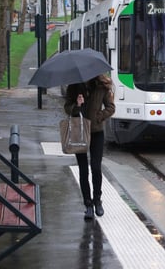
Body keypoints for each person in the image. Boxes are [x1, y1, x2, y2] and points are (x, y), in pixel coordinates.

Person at [64, 74, 115, 220]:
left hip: (96, 132)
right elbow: (67, 108)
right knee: (83, 169)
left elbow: (111, 108)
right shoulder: (73, 87)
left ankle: (97, 200)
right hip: (79, 131)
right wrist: (77, 105)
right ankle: (88, 204)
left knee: (96, 167)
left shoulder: (101, 86)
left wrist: (99, 117)